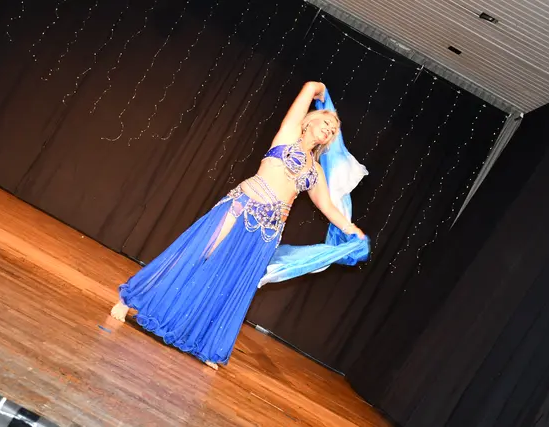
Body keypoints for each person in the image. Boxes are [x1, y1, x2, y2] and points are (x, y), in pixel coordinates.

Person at [110, 81, 366, 370]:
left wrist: (351, 230)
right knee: (197, 255)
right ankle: (130, 300)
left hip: (268, 232)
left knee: (232, 281)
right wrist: (320, 90)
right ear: (309, 120)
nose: (329, 129)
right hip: (240, 209)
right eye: (326, 122)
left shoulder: (316, 170)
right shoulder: (288, 134)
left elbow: (327, 207)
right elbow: (309, 88)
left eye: (333, 130)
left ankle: (205, 343)